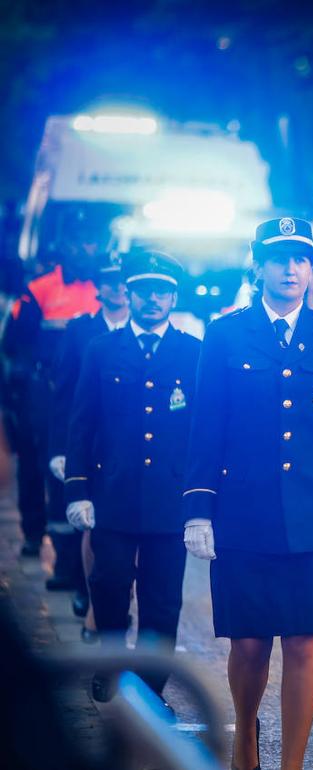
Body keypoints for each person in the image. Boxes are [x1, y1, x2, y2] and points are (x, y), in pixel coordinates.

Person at [182, 217, 313, 770]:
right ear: (259, 265)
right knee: (248, 644)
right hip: (244, 509)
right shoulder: (224, 333)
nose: (290, 269)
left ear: (312, 268)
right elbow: (206, 426)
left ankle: (291, 762)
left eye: (300, 259)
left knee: (304, 642)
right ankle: (245, 734)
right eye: (279, 258)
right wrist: (199, 508)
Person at [64, 250, 201, 704]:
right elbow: (82, 422)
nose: (152, 300)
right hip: (114, 493)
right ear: (129, 293)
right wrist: (78, 488)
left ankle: (149, 685)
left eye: (162, 291)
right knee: (108, 586)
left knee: (163, 601)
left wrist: (202, 502)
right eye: (143, 291)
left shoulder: (193, 353)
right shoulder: (102, 349)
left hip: (169, 497)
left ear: (173, 296)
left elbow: (203, 429)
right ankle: (110, 665)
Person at [2, 239, 100, 568]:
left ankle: (69, 559)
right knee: (36, 462)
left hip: (85, 389)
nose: (86, 251)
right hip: (43, 389)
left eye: (92, 246)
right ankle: (33, 533)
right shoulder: (40, 288)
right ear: (65, 249)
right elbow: (15, 343)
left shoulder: (103, 287)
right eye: (81, 245)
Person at [48, 252, 130, 641]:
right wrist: (60, 449)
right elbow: (63, 396)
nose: (118, 287)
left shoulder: (144, 326)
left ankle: (115, 605)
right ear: (98, 288)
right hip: (92, 445)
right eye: (110, 281)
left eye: (123, 280)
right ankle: (92, 597)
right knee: (94, 529)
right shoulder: (82, 331)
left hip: (131, 446)